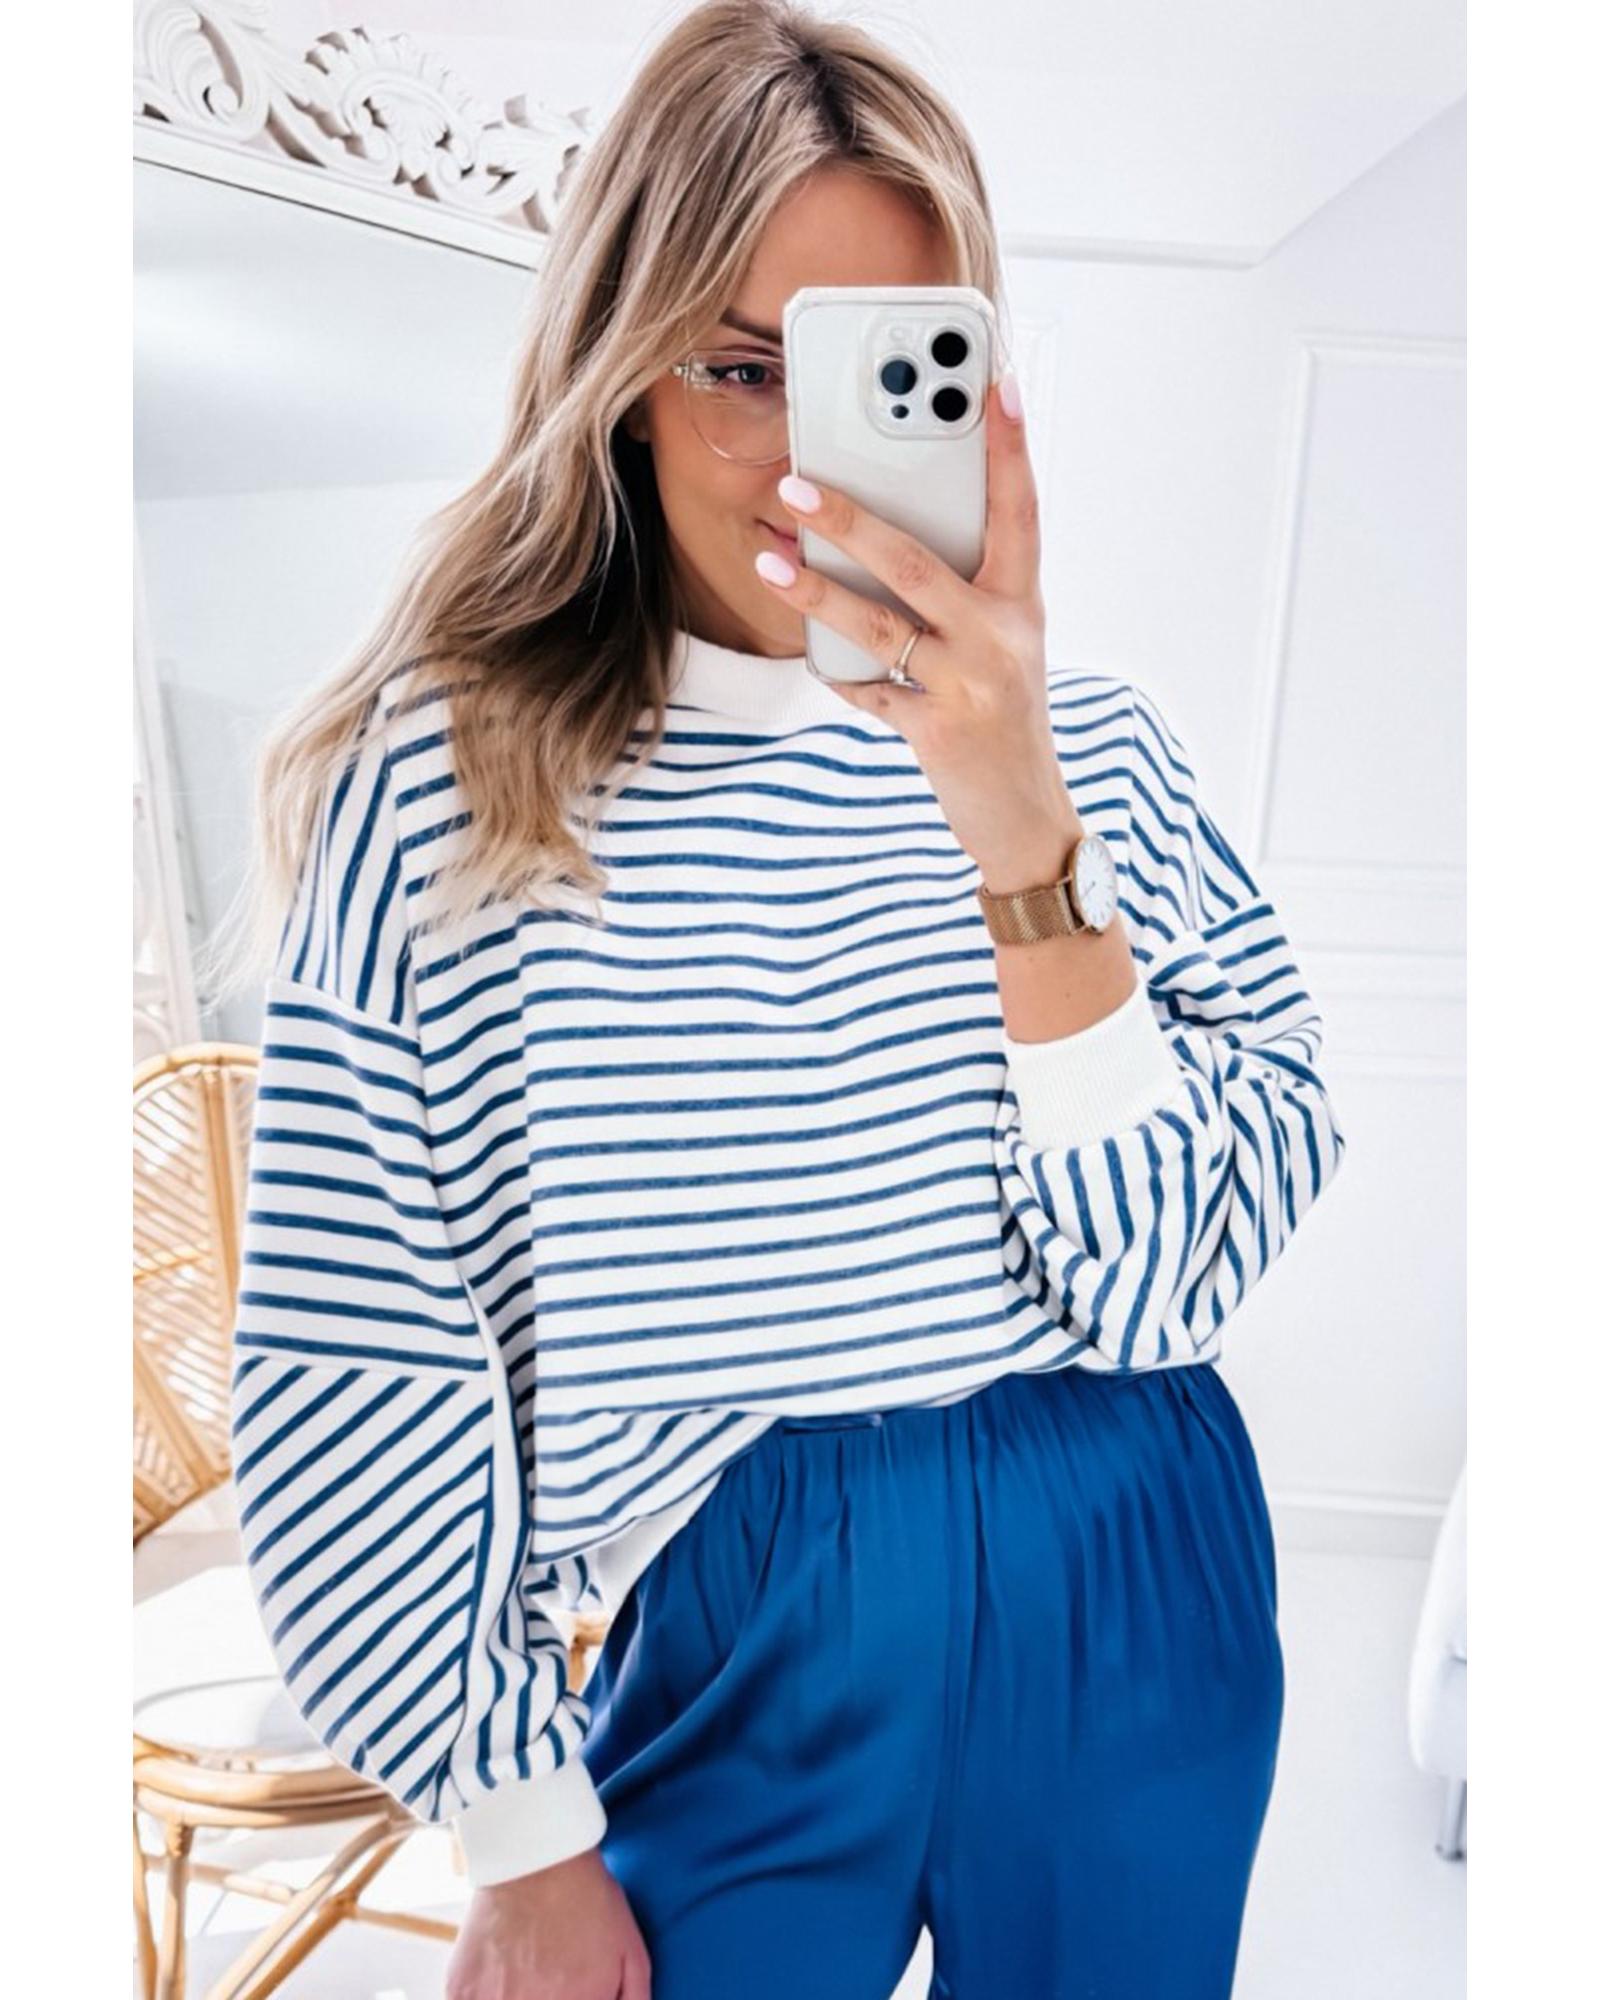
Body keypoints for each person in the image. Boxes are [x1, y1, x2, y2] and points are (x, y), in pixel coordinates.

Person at [215, 4, 1346, 1995]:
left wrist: (1012, 814)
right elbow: (360, 1344)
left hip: (1131, 1540)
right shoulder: (461, 786)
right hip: (736, 1594)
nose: (812, 459)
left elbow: (1169, 1290)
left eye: (885, 370)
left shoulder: (1095, 754)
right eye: (747, 369)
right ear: (624, 377)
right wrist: (515, 1832)